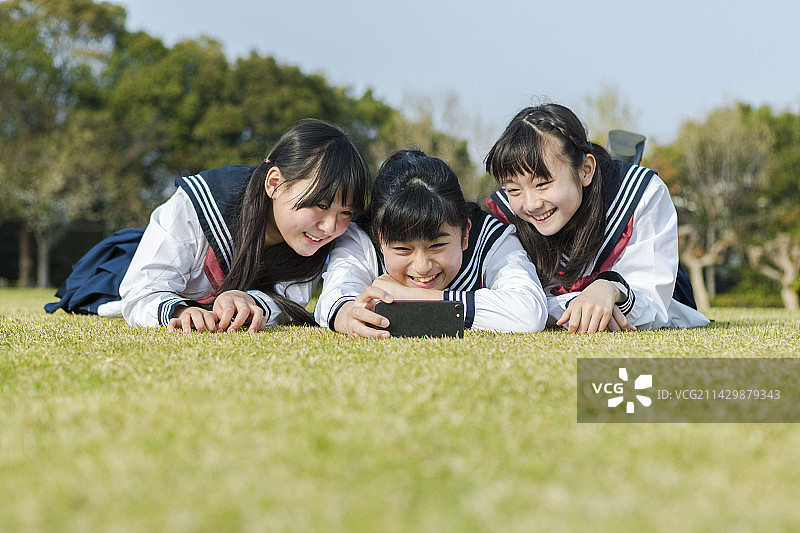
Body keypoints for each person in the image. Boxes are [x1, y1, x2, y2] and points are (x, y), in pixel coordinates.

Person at [45, 120, 369, 332]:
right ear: (274, 183)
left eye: (346, 212)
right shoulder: (206, 199)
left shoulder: (317, 239)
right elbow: (141, 290)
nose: (330, 227)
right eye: (320, 205)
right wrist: (179, 311)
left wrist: (248, 301)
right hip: (120, 272)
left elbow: (290, 301)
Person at [484, 103, 709, 333]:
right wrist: (585, 302)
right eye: (514, 190)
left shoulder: (641, 194)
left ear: (585, 170)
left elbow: (654, 305)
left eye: (542, 184)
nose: (531, 204)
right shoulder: (505, 216)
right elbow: (509, 301)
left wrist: (610, 288)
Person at [314, 149, 548, 338]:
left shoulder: (490, 236)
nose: (422, 266)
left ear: (465, 233)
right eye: (403, 249)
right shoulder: (361, 237)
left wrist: (409, 297)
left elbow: (529, 313)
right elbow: (335, 298)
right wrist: (348, 316)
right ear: (378, 238)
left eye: (436, 246)